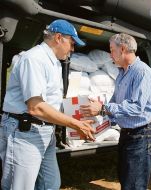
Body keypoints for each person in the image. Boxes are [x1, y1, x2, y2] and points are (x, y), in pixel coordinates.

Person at [0, 19, 95, 190]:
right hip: (25, 132)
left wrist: (78, 114)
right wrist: (75, 124)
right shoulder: (34, 59)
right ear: (59, 38)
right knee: (20, 186)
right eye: (72, 43)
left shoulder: (53, 62)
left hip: (44, 132)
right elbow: (35, 106)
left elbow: (51, 101)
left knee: (50, 184)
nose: (73, 49)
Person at [80, 33, 151, 190]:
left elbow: (136, 107)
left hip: (142, 134)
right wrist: (98, 120)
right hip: (128, 133)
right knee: (125, 177)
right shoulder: (122, 73)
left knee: (134, 183)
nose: (110, 54)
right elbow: (115, 103)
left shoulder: (142, 72)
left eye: (112, 50)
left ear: (122, 49)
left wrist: (102, 108)